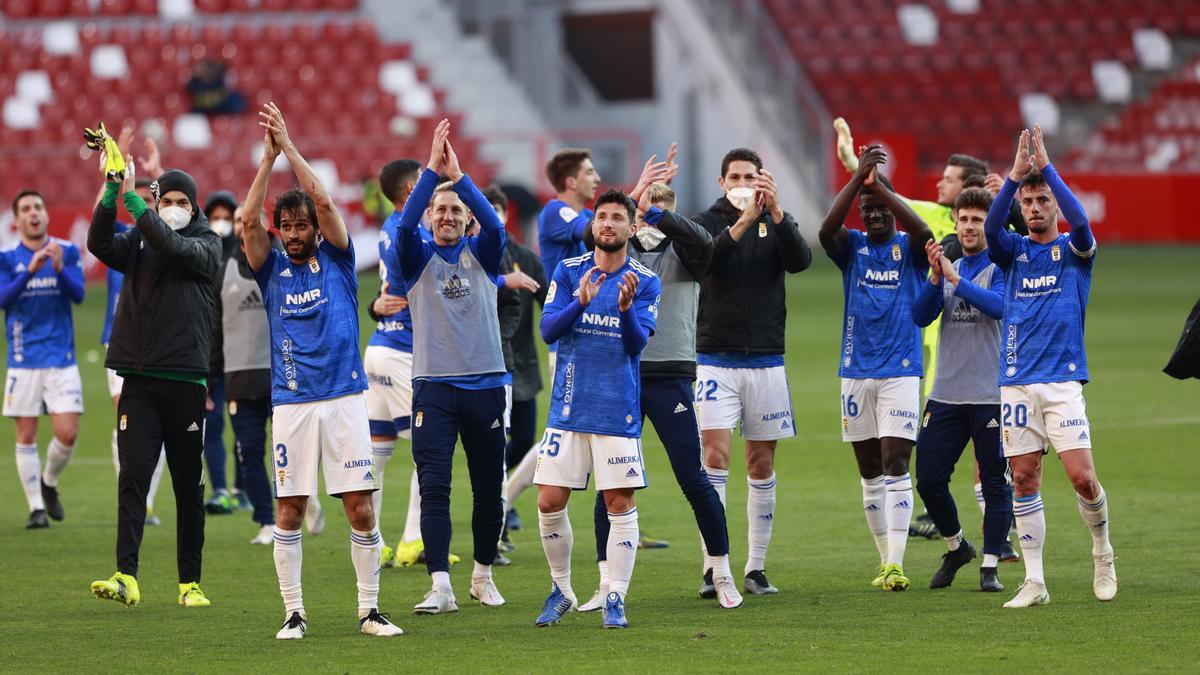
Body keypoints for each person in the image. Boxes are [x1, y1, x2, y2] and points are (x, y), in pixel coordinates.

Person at [243, 102, 403, 639]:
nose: (292, 232)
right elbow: (247, 222)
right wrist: (266, 164)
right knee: (288, 511)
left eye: (299, 225)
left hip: (344, 399)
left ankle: (369, 610)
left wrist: (287, 146)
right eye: (284, 226)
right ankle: (294, 613)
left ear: (314, 228)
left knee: (359, 508)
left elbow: (323, 198)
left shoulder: (336, 258)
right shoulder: (269, 272)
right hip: (291, 404)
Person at [574, 178, 742, 611]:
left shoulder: (686, 254)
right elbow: (591, 230)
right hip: (621, 374)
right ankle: (605, 582)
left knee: (692, 477)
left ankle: (720, 572)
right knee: (609, 484)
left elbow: (704, 240)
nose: (649, 217)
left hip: (670, 377)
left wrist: (658, 214)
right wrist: (630, 202)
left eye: (661, 208)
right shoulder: (617, 253)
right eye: (642, 211)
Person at [986, 126, 1116, 608]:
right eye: (1029, 200)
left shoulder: (1074, 253)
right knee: (1023, 478)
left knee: (1082, 477)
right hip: (1017, 383)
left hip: (1062, 382)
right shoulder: (1014, 253)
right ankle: (1035, 582)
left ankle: (1102, 552)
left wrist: (1048, 168)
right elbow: (992, 231)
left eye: (1043, 199)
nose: (1036, 207)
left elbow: (1081, 224)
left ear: (1054, 204)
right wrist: (1012, 179)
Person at [87, 154, 221, 608]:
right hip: (139, 382)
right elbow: (99, 244)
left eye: (186, 201)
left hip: (185, 383)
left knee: (189, 487)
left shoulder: (207, 243)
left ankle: (190, 583)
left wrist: (139, 206)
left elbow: (174, 247)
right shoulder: (140, 242)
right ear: (159, 201)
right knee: (133, 480)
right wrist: (111, 191)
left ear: (195, 207)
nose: (177, 207)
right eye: (171, 200)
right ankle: (126, 575)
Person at [532, 187, 662, 629]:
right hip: (569, 406)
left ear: (630, 227)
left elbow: (635, 345)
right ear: (593, 225)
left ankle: (615, 596)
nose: (607, 224)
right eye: (601, 217)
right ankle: (562, 588)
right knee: (549, 500)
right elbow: (549, 330)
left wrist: (624, 310)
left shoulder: (644, 281)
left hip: (617, 409)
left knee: (618, 502)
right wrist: (581, 302)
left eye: (616, 218)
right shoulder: (568, 272)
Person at [397, 120, 509, 614]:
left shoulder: (484, 254)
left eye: (456, 210)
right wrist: (430, 172)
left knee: (489, 489)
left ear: (468, 220)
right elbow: (402, 225)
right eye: (439, 209)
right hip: (434, 389)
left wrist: (460, 179)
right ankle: (441, 585)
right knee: (434, 486)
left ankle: (482, 577)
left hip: (485, 385)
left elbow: (499, 226)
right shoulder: (414, 258)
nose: (446, 215)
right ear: (428, 217)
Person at [692, 147, 812, 595]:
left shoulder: (777, 219)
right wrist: (744, 221)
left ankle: (755, 568)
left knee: (760, 464)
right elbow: (705, 260)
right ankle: (714, 567)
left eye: (751, 175)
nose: (743, 183)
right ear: (722, 183)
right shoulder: (706, 221)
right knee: (715, 460)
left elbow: (800, 261)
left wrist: (777, 213)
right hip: (715, 358)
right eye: (736, 176)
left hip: (766, 360)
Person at [818, 144, 933, 592]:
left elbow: (923, 229)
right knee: (868, 472)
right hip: (855, 372)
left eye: (880, 207)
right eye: (867, 209)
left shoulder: (911, 249)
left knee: (895, 461)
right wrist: (859, 182)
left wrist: (881, 190)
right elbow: (827, 231)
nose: (874, 215)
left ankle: (898, 563)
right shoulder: (853, 249)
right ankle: (885, 561)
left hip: (901, 371)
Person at [911, 186, 1013, 592]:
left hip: (990, 394)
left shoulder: (1003, 266)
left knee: (994, 481)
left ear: (990, 226)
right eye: (963, 219)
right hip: (947, 394)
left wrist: (955, 279)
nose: (969, 227)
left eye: (977, 220)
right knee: (929, 478)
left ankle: (990, 566)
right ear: (954, 221)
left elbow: (999, 307)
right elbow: (920, 316)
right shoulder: (948, 265)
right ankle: (957, 546)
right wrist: (937, 278)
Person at [94, 128, 169, 526]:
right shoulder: (123, 237)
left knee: (155, 419)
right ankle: (131, 491)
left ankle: (147, 501)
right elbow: (98, 222)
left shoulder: (166, 240)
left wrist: (160, 173)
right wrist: (114, 165)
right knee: (126, 415)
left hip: (159, 338)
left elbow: (178, 213)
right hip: (118, 340)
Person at [2, 190, 84, 529]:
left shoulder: (65, 250)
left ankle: (48, 482)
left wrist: (60, 270)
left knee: (67, 434)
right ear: (17, 219)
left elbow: (78, 294)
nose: (33, 213)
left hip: (61, 358)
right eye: (26, 209)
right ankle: (36, 508)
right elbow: (3, 299)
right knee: (26, 435)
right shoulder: (7, 257)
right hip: (23, 358)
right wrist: (29, 272)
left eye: (38, 206)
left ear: (46, 215)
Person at [362, 158, 428, 568]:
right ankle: (412, 541)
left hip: (379, 347)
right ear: (410, 190)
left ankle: (373, 543)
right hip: (403, 348)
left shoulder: (389, 227)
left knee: (376, 456)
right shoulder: (413, 228)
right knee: (429, 450)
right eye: (425, 182)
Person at [209, 204, 280, 544]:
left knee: (291, 455)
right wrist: (209, 384)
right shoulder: (222, 273)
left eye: (249, 218)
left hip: (283, 378)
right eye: (238, 220)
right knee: (249, 453)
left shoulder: (283, 268)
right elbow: (213, 334)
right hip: (239, 380)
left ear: (266, 225)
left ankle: (298, 505)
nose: (242, 224)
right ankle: (267, 521)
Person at [482, 185, 547, 548]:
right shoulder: (473, 257)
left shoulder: (526, 257)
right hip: (490, 366)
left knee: (523, 441)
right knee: (494, 445)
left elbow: (548, 301)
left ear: (505, 215)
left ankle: (506, 499)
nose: (491, 216)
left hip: (523, 364)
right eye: (484, 210)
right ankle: (496, 519)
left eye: (496, 210)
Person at [202, 189, 249, 515]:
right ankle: (220, 489)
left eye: (226, 216)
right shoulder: (202, 252)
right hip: (211, 355)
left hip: (243, 355)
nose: (221, 222)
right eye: (215, 216)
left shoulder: (248, 256)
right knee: (213, 422)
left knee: (244, 427)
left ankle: (242, 488)